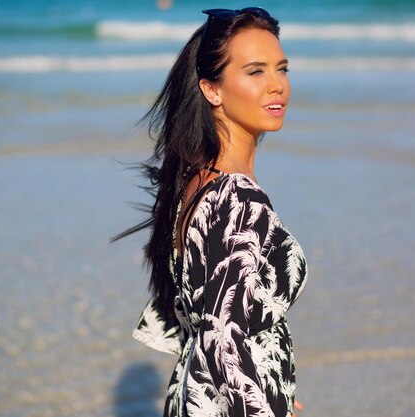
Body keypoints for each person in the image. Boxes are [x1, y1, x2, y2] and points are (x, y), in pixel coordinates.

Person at [113, 7, 308, 417]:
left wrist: (275, 385)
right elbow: (222, 340)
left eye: (281, 68)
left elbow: (200, 323)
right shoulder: (238, 199)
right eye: (255, 72)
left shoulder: (195, 184)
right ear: (212, 89)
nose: (277, 86)